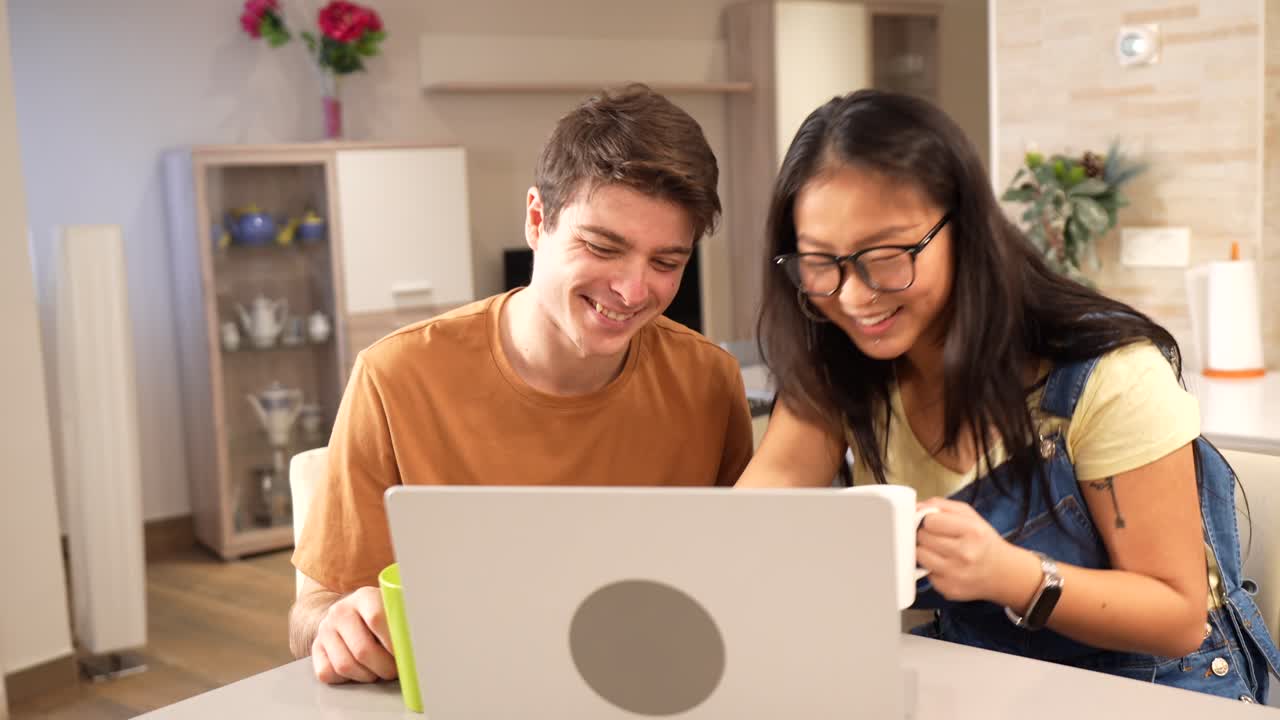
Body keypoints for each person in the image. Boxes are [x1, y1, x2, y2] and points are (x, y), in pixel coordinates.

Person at [736, 89, 1280, 702]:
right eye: (819, 263)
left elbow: (1177, 618)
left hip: (1158, 687)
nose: (854, 296)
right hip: (987, 682)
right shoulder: (844, 368)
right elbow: (751, 526)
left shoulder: (1107, 374)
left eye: (887, 256)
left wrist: (1009, 575)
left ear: (965, 230)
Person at [290, 84, 754, 684]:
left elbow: (743, 574)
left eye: (666, 262)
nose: (633, 291)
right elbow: (310, 614)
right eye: (602, 247)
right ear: (537, 219)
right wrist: (336, 625)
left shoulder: (709, 380)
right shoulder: (397, 377)